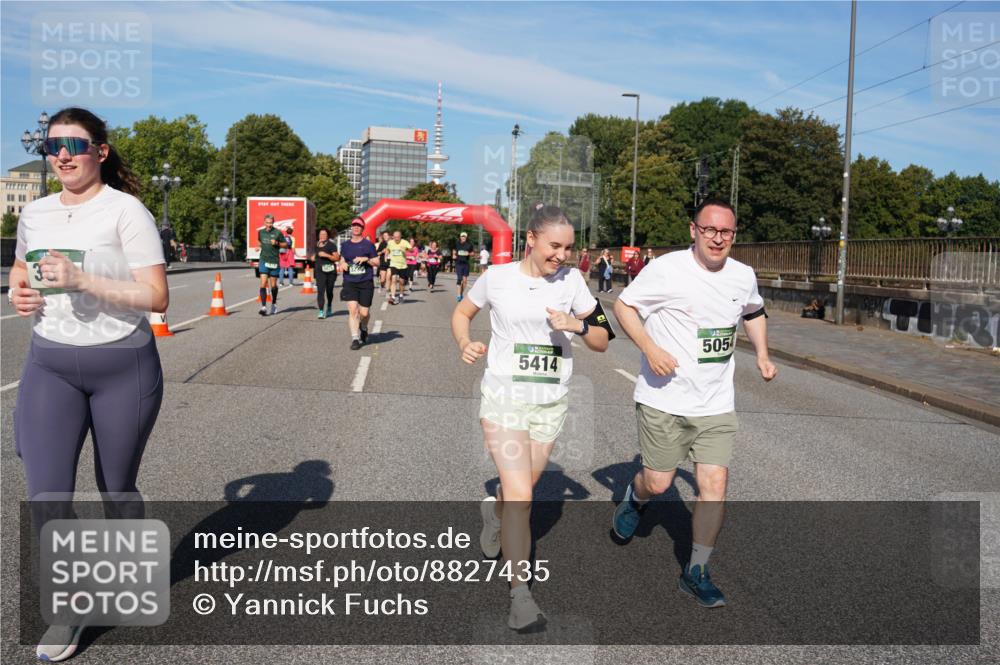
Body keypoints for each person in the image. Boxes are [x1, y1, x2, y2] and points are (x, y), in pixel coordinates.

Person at [8, 106, 169, 661]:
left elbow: (156, 297)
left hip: (123, 365)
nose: (63, 156)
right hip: (51, 363)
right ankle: (68, 609)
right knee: (47, 495)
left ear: (100, 151)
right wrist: (19, 291)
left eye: (75, 145)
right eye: (53, 146)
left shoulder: (126, 211)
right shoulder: (37, 212)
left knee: (116, 487)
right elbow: (21, 269)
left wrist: (82, 279)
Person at [451, 204, 612, 632]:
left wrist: (576, 326)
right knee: (522, 494)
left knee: (519, 491)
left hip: (550, 403)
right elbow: (463, 312)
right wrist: (465, 341)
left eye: (570, 247)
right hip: (504, 398)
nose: (563, 255)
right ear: (531, 239)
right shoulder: (498, 278)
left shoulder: (574, 283)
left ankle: (494, 514)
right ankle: (520, 596)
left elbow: (602, 339)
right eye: (555, 246)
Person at [611, 198, 778, 609]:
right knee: (659, 483)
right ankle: (636, 498)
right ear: (694, 230)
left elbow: (754, 311)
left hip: (716, 403)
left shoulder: (742, 275)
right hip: (663, 399)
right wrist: (649, 348)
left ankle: (696, 571)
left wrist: (761, 354)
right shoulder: (667, 269)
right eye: (710, 230)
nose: (718, 239)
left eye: (727, 232)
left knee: (714, 486)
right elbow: (623, 306)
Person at [338, 218, 379, 349]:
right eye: (354, 225)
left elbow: (377, 262)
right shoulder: (345, 245)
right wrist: (342, 263)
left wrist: (366, 259)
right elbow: (342, 259)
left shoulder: (368, 245)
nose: (356, 228)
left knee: (364, 313)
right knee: (353, 310)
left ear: (362, 228)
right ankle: (355, 338)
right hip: (350, 282)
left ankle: (364, 326)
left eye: (358, 226)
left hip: (365, 282)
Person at [257, 214, 287, 315]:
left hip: (274, 261)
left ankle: (274, 304)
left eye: (271, 223)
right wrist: (259, 246)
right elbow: (259, 241)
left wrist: (277, 243)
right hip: (263, 260)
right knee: (263, 283)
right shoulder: (261, 232)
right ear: (264, 222)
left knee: (273, 285)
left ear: (273, 223)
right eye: (267, 223)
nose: (269, 225)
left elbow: (286, 245)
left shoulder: (278, 233)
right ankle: (264, 307)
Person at [313, 228, 341, 319]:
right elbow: (313, 256)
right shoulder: (316, 245)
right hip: (319, 271)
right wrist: (312, 257)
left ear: (327, 235)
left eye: (324, 234)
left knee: (329, 291)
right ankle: (321, 311)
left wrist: (327, 255)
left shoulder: (331, 245)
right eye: (321, 234)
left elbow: (337, 258)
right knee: (320, 291)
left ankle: (329, 306)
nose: (322, 236)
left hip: (330, 271)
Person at [386, 230, 410, 305]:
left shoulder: (404, 242)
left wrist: (405, 250)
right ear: (393, 237)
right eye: (395, 237)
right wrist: (386, 256)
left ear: (400, 237)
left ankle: (401, 295)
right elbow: (387, 249)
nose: (396, 239)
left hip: (403, 265)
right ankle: (393, 297)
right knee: (393, 279)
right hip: (393, 264)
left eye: (398, 237)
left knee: (401, 282)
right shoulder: (390, 242)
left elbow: (411, 249)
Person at [454, 230, 474, 302]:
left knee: (465, 281)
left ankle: (461, 293)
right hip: (458, 263)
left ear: (466, 237)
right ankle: (458, 295)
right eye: (462, 236)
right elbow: (454, 251)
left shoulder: (469, 245)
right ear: (460, 237)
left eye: (464, 236)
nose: (463, 237)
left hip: (466, 263)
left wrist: (469, 254)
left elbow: (472, 253)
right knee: (459, 279)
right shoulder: (457, 244)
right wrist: (454, 255)